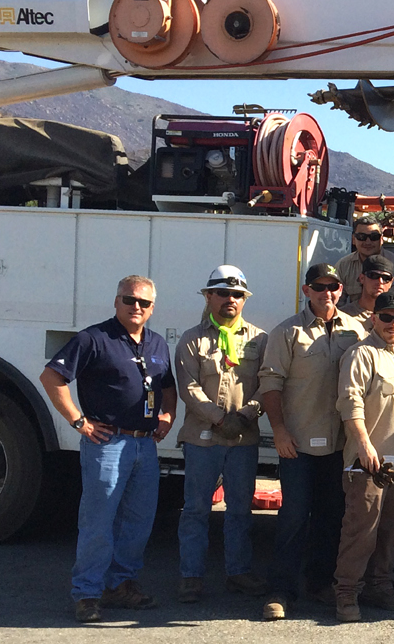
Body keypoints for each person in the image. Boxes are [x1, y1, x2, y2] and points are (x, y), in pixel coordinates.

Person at [39, 275, 176, 624]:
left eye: (144, 303)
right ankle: (87, 593)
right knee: (98, 522)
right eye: (129, 300)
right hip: (107, 443)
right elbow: (51, 378)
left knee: (138, 522)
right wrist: (78, 421)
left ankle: (120, 585)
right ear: (116, 302)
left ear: (152, 308)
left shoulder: (157, 343)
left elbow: (167, 387)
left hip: (145, 445)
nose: (136, 307)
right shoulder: (93, 339)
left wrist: (168, 415)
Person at [257, 263, 366, 621]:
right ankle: (280, 590)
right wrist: (280, 431)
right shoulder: (287, 332)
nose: (327, 293)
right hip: (299, 443)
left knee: (331, 517)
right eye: (319, 286)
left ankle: (318, 584)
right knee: (293, 518)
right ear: (306, 291)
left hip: (339, 444)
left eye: (333, 286)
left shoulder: (356, 330)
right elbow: (270, 383)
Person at [175, 265, 269, 604]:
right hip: (203, 438)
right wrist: (218, 418)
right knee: (196, 509)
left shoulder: (260, 339)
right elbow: (188, 387)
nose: (231, 299)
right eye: (223, 293)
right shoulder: (191, 339)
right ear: (208, 296)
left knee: (240, 510)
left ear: (244, 300)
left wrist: (247, 414)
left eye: (237, 294)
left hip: (243, 438)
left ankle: (238, 572)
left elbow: (267, 384)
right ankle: (191, 576)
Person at [333, 292, 394, 623]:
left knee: (391, 529)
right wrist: (364, 445)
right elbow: (349, 403)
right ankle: (346, 594)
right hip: (367, 464)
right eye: (387, 317)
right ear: (374, 318)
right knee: (361, 530)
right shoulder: (360, 355)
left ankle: (380, 587)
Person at [337, 218, 394, 303]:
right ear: (353, 239)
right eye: (362, 237)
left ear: (381, 239)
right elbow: (337, 303)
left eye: (374, 237)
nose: (368, 242)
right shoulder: (343, 265)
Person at [339, 254, 394, 326]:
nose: (380, 281)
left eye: (386, 278)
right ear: (362, 278)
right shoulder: (343, 316)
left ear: (391, 282)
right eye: (373, 275)